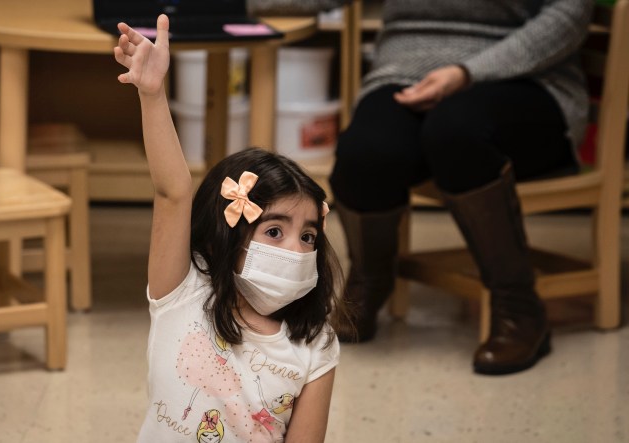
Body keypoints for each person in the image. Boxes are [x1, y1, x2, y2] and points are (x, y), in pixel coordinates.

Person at [330, 0, 594, 376]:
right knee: (366, 152)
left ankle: (519, 308)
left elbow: (569, 14)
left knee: (455, 132)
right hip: (405, 74)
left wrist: (467, 73)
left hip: (526, 78)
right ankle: (370, 280)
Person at [113, 15, 342, 442]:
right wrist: (153, 95)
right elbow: (172, 192)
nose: (295, 249)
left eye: (308, 236)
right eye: (274, 231)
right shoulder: (184, 291)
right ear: (229, 232)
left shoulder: (316, 345)